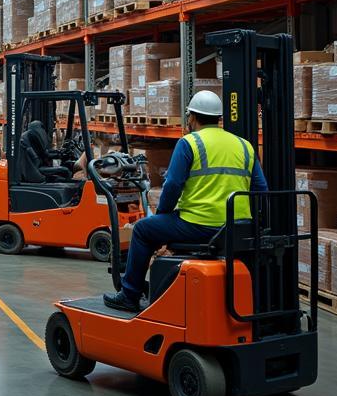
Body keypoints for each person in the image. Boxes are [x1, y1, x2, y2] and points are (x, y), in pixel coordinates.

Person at [103, 90, 268, 312]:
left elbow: (172, 186)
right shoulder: (245, 145)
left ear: (192, 117)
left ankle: (129, 294)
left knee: (143, 229)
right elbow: (261, 188)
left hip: (199, 225)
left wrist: (162, 215)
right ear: (218, 118)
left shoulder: (189, 143)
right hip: (237, 228)